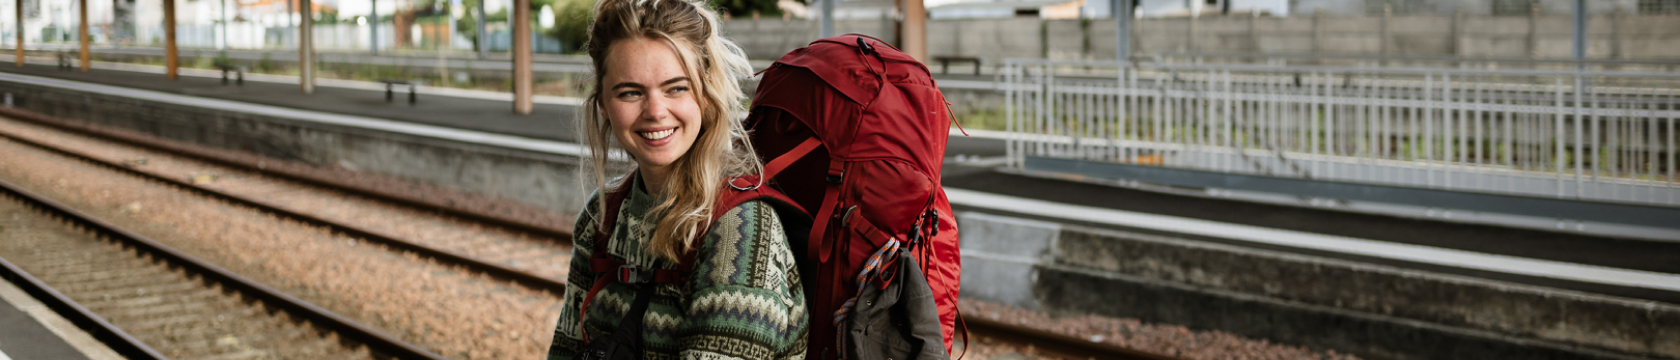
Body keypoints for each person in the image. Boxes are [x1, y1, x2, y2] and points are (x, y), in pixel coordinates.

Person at [545, 0, 807, 359]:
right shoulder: (602, 217)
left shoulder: (741, 229)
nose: (655, 111)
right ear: (604, 104)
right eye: (630, 92)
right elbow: (566, 349)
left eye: (676, 88)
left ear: (705, 92)